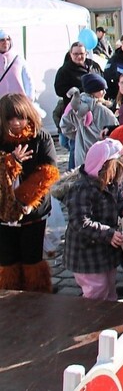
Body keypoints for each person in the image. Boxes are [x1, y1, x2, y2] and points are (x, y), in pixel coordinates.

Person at [0, 94, 59, 292]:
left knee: (31, 255)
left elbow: (48, 171)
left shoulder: (40, 137)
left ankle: (36, 293)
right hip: (3, 211)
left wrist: (24, 201)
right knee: (7, 257)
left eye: (20, 117)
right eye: (10, 118)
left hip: (33, 210)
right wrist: (11, 162)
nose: (16, 123)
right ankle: (9, 290)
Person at [64, 139, 123, 300]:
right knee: (96, 289)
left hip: (105, 251)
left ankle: (109, 316)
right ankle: (92, 319)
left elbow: (118, 198)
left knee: (108, 284)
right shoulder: (82, 188)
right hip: (86, 253)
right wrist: (108, 233)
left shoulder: (110, 183)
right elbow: (80, 222)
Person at [59, 73, 119, 166]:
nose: (105, 92)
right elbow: (116, 133)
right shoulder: (103, 111)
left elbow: (65, 126)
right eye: (101, 89)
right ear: (93, 91)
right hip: (101, 156)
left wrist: (78, 136)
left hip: (81, 155)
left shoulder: (74, 107)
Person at [54, 41, 103, 134]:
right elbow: (59, 90)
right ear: (70, 54)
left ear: (86, 53)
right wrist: (80, 90)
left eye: (81, 53)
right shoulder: (64, 70)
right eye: (75, 54)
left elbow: (103, 81)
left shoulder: (94, 66)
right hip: (77, 112)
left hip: (96, 109)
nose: (79, 56)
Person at [0, 29, 35, 100]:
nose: (5, 42)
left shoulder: (18, 58)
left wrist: (29, 99)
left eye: (8, 39)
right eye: (2, 40)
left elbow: (28, 80)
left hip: (18, 102)